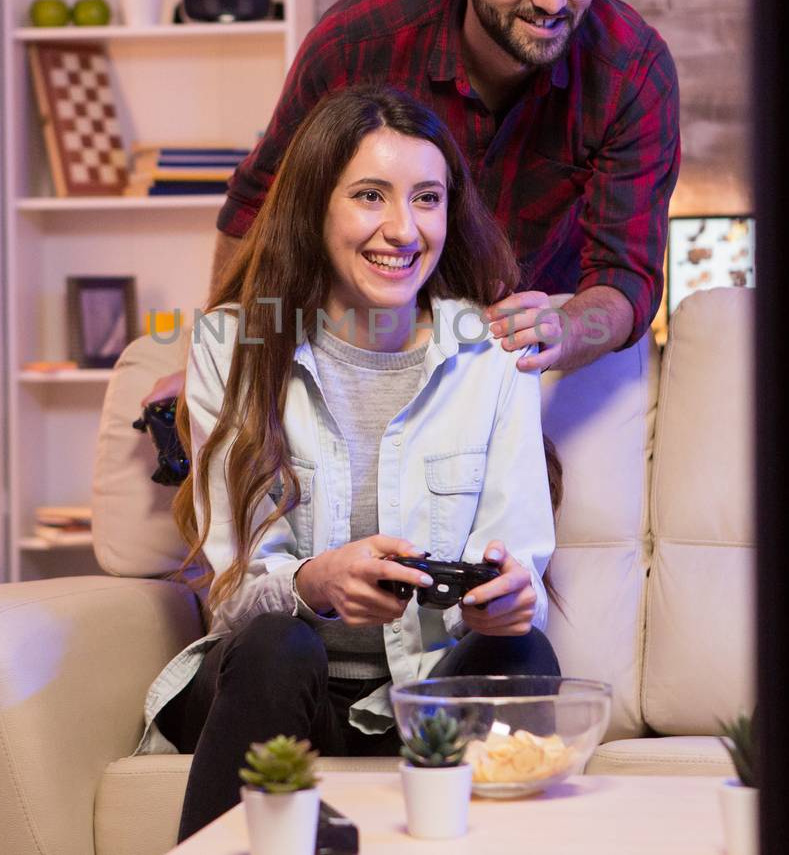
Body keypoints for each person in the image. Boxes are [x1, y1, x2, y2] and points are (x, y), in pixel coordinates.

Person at [137, 86, 560, 840]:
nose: (403, 229)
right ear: (316, 205)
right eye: (371, 195)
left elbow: (516, 557)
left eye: (427, 198)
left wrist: (503, 600)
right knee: (278, 641)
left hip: (420, 699)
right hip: (276, 684)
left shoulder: (491, 355)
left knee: (524, 650)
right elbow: (228, 595)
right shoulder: (229, 348)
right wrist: (313, 582)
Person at [143, 0, 679, 406]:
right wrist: (221, 362)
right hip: (370, 330)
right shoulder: (359, 42)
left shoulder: (632, 72)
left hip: (536, 343)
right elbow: (258, 205)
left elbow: (627, 277)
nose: (553, 0)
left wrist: (568, 328)